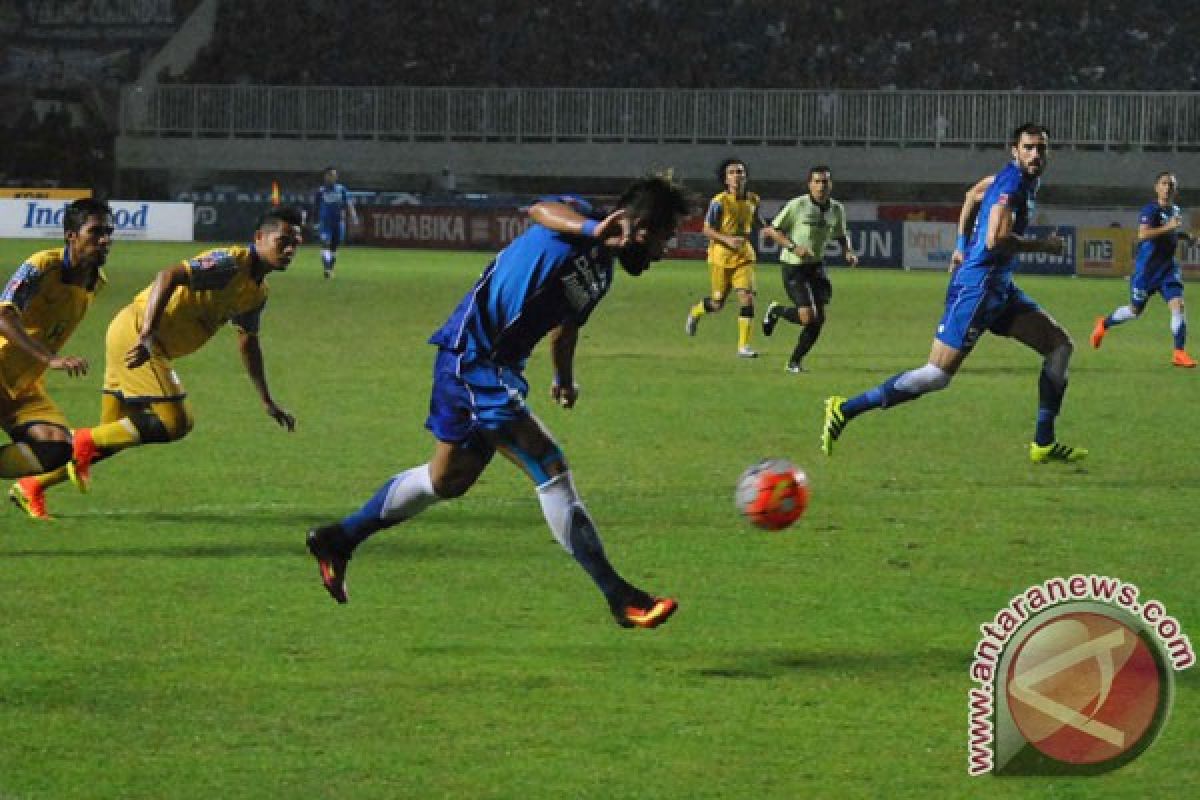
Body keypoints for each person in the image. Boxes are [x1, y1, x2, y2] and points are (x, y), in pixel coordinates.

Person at [306, 176, 690, 629]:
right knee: (549, 466)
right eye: (664, 239)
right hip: (473, 358)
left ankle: (340, 538)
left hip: (497, 370)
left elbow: (566, 328)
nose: (665, 252)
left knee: (447, 480)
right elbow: (539, 209)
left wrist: (564, 379)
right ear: (640, 227)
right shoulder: (577, 215)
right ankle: (620, 597)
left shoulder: (602, 273)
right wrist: (591, 230)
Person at [10, 207, 302, 519]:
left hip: (136, 338)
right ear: (259, 237)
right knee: (176, 422)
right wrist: (147, 334)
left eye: (295, 244)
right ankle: (81, 439)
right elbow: (169, 275)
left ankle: (32, 485)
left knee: (113, 436)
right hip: (140, 339)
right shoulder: (229, 263)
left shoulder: (257, 293)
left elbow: (248, 342)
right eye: (282, 241)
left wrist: (266, 399)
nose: (289, 250)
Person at [821, 123, 1088, 464]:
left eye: (1041, 148)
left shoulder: (1014, 179)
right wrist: (1044, 246)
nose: (1036, 154)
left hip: (999, 286)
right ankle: (844, 409)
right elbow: (995, 239)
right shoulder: (1012, 184)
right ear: (1015, 151)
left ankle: (1043, 443)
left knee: (1060, 346)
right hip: (978, 287)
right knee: (936, 375)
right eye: (1029, 147)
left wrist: (960, 246)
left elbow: (972, 196)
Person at [3, 199, 112, 518]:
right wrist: (50, 359)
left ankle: (28, 487)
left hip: (24, 385)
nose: (104, 240)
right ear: (71, 236)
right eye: (95, 232)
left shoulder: (96, 282)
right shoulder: (42, 266)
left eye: (108, 232)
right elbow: (3, 317)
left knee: (57, 448)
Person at [1090, 172, 1196, 368]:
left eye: (1171, 184)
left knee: (1178, 305)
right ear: (1156, 187)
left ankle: (1179, 352)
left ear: (1176, 190)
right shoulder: (1150, 210)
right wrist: (1169, 227)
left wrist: (1183, 236)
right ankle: (1104, 323)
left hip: (1167, 270)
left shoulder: (1175, 210)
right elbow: (1143, 234)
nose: (1167, 187)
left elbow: (1169, 233)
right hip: (1146, 271)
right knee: (1134, 311)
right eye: (1164, 183)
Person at [760, 166, 858, 373]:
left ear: (830, 184)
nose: (821, 186)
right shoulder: (797, 205)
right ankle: (776, 310)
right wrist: (794, 247)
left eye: (825, 182)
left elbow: (841, 233)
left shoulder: (836, 208)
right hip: (793, 266)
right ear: (809, 184)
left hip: (817, 267)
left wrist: (847, 251)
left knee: (818, 320)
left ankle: (794, 362)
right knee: (807, 317)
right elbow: (773, 231)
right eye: (817, 181)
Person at [684, 158, 776, 358]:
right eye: (732, 172)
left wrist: (767, 230)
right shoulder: (719, 202)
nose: (737, 176)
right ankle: (696, 311)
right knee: (717, 304)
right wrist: (726, 239)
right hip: (720, 257)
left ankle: (743, 347)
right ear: (726, 179)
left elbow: (756, 219)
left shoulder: (753, 199)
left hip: (744, 256)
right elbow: (706, 229)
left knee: (747, 297)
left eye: (740, 171)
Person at [313, 166, 358, 279]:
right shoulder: (321, 191)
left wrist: (353, 216)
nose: (333, 177)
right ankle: (327, 269)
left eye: (334, 175)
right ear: (325, 176)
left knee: (334, 247)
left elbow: (348, 203)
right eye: (330, 175)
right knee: (325, 244)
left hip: (338, 223)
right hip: (325, 223)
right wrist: (315, 221)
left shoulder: (341, 189)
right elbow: (316, 207)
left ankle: (330, 269)